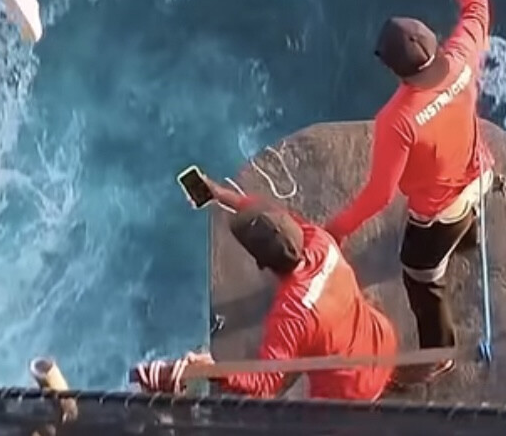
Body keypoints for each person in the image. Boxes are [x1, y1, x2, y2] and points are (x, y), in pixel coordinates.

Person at [324, 0, 493, 385]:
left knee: (418, 275)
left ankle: (438, 353)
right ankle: (471, 241)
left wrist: (334, 230)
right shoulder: (461, 56)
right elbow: (477, 6)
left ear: (393, 69)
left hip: (440, 212)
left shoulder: (396, 120)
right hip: (480, 174)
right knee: (465, 219)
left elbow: (380, 197)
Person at [134, 170, 397, 401]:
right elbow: (270, 214)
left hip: (351, 391)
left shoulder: (291, 315)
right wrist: (219, 194)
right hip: (383, 342)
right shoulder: (320, 241)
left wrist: (212, 368)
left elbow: (263, 385)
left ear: (261, 264)